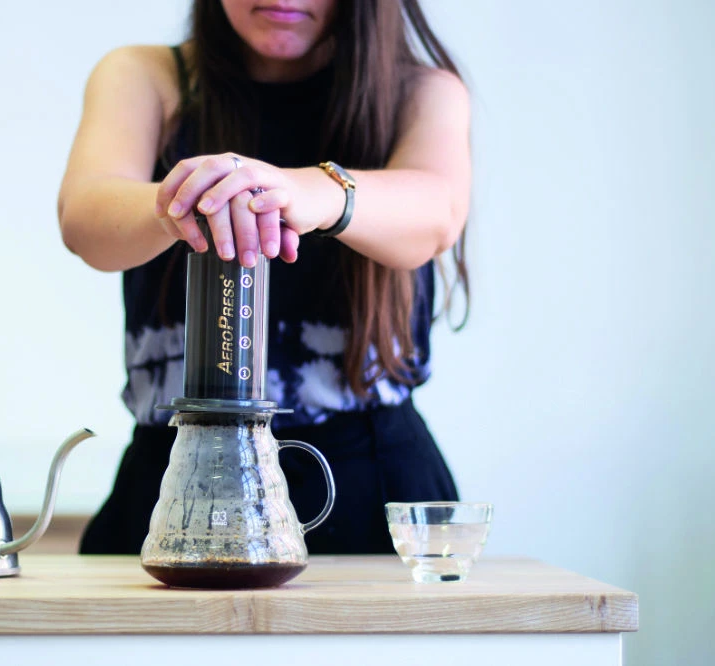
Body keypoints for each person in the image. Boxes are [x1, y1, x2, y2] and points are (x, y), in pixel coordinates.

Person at [58, 0, 472, 555]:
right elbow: (84, 218)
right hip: (177, 479)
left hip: (371, 487)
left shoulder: (422, 92)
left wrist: (307, 190)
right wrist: (193, 196)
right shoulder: (145, 75)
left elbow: (438, 213)